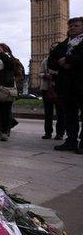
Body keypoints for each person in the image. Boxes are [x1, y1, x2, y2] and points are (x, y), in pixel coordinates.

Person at [50, 17, 83, 153]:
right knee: (69, 115)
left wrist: (68, 60)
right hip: (66, 85)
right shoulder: (64, 44)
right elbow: (52, 60)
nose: (72, 28)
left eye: (76, 26)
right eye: (70, 26)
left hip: (81, 83)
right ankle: (71, 141)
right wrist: (60, 62)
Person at [40, 44, 65, 140]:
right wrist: (44, 75)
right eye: (52, 47)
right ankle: (48, 132)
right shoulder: (45, 61)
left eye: (56, 47)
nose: (54, 49)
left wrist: (55, 74)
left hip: (60, 88)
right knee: (48, 112)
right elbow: (40, 73)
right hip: (47, 88)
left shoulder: (63, 60)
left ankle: (60, 133)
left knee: (60, 112)